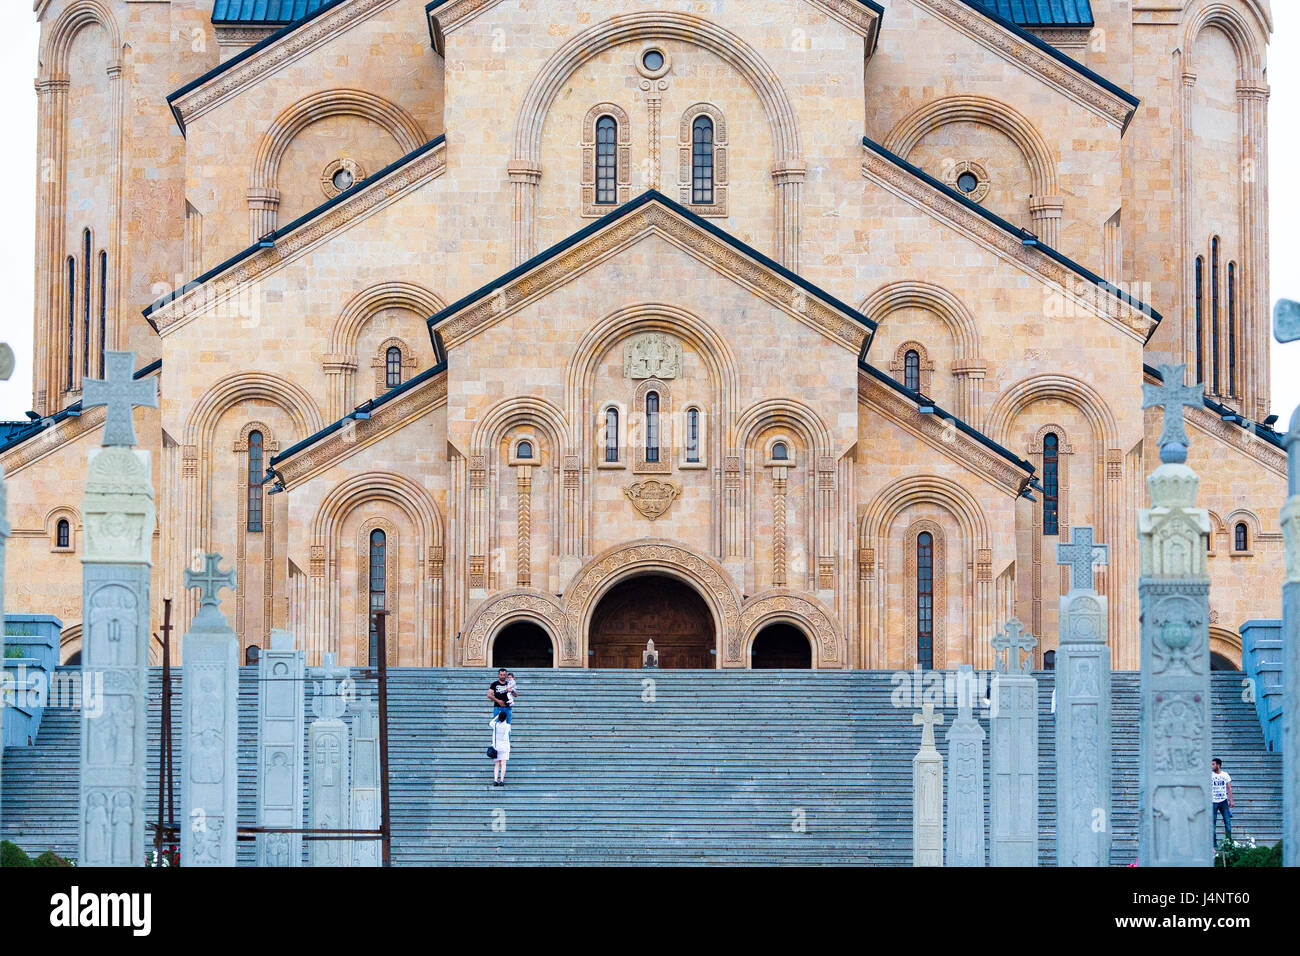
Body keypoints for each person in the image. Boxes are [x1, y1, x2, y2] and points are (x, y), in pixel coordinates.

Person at [1211, 757, 1234, 847]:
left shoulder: (1225, 775)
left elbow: (1229, 788)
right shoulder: (1210, 775)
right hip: (1213, 802)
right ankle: (1214, 844)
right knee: (1212, 823)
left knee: (1227, 822)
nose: (1212, 766)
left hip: (1223, 801)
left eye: (1213, 764)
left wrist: (1231, 800)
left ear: (1218, 765)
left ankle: (1228, 842)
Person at [490, 711, 512, 787]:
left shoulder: (495, 725)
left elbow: (490, 722)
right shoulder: (508, 726)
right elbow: (507, 736)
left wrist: (496, 717)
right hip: (504, 747)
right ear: (505, 717)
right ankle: (501, 780)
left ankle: (495, 780)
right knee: (503, 764)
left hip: (496, 747)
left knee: (497, 764)